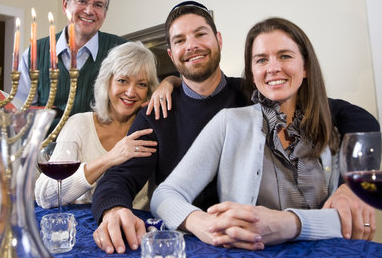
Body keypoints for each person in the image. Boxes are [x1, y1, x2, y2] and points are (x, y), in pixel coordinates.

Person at [91, 1, 379, 254]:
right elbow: (123, 177)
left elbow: (356, 120)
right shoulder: (160, 112)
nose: (191, 45)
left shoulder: (254, 93)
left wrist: (353, 183)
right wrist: (114, 208)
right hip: (210, 239)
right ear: (171, 52)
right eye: (180, 40)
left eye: (200, 34)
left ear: (218, 39)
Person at [151, 17, 367, 250]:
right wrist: (200, 222)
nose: (273, 68)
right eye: (261, 60)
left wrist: (288, 223)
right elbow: (165, 194)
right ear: (252, 73)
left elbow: (353, 220)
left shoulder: (336, 129)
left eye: (285, 56)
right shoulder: (230, 123)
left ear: (305, 67)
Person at [35, 42, 159, 209]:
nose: (131, 92)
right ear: (107, 82)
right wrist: (109, 158)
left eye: (141, 84)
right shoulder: (79, 125)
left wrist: (171, 82)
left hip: (136, 228)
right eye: (122, 80)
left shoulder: (151, 130)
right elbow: (45, 196)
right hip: (82, 229)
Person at [15, 0, 126, 114]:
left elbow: (146, 93)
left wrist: (164, 84)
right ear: (65, 5)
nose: (89, 11)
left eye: (98, 5)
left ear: (105, 13)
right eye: (82, 1)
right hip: (49, 136)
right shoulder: (35, 53)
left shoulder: (122, 50)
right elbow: (22, 113)